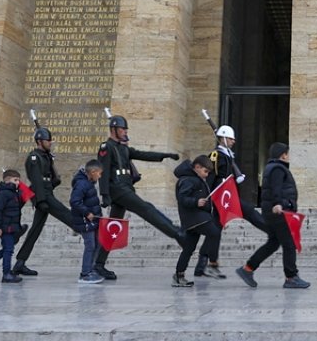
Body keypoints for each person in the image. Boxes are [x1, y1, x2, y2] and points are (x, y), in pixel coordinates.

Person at [94, 114, 186, 280]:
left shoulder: (123, 148)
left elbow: (142, 154)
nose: (125, 131)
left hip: (125, 189)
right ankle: (177, 234)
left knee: (113, 226)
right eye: (122, 128)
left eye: (125, 129)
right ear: (113, 129)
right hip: (118, 190)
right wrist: (105, 194)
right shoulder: (106, 147)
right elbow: (103, 172)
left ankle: (98, 264)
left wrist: (164, 155)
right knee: (146, 208)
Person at [236, 142, 309, 289]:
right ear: (283, 155)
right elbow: (276, 188)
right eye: (288, 154)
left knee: (274, 243)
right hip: (279, 212)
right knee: (289, 244)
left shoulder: (273, 168)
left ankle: (248, 268)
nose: (289, 157)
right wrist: (278, 203)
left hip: (273, 212)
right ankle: (291, 277)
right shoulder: (277, 168)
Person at [12, 125, 78, 277]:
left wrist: (55, 179)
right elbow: (36, 180)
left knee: (35, 230)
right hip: (42, 195)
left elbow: (49, 179)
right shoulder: (34, 157)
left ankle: (20, 263)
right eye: (48, 140)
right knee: (64, 213)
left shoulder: (45, 156)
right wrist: (40, 200)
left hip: (46, 192)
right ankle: (85, 231)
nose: (51, 142)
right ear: (40, 141)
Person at [173, 155, 223, 286]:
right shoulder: (188, 180)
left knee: (189, 248)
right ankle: (212, 264)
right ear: (197, 167)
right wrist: (196, 202)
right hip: (194, 217)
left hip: (195, 218)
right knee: (214, 232)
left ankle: (179, 275)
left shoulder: (195, 179)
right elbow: (182, 198)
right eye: (205, 171)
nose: (206, 175)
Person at [69, 160, 105, 284]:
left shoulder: (88, 183)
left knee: (97, 243)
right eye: (99, 174)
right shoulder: (82, 184)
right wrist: (87, 213)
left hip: (92, 220)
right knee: (90, 245)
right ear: (93, 172)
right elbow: (74, 201)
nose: (100, 176)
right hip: (85, 220)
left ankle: (90, 269)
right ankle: (85, 273)